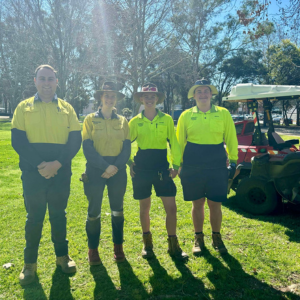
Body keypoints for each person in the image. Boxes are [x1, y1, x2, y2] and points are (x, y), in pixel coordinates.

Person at [11, 65, 82, 285]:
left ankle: (62, 257)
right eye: (42, 79)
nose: (46, 83)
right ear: (35, 81)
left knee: (59, 215)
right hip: (33, 173)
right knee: (34, 218)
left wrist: (57, 164)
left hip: (61, 173)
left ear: (57, 81)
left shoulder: (67, 108)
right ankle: (29, 264)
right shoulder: (23, 108)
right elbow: (18, 142)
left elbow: (75, 141)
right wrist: (42, 165)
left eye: (50, 79)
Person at [176, 79, 238, 255]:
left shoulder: (223, 113)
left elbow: (231, 138)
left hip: (217, 162)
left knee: (215, 204)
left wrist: (233, 160)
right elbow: (179, 141)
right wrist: (177, 165)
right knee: (197, 203)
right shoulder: (186, 115)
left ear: (211, 94)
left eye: (206, 91)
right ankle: (198, 238)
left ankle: (216, 237)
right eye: (199, 91)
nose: (203, 94)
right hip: (192, 162)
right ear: (194, 95)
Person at [128, 83, 188, 260]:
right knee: (144, 208)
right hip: (141, 170)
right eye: (146, 96)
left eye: (152, 96)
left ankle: (173, 245)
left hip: (162, 169)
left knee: (171, 208)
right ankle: (147, 244)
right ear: (141, 99)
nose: (149, 99)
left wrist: (176, 165)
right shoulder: (135, 121)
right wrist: (129, 162)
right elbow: (124, 144)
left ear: (157, 99)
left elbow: (174, 143)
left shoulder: (167, 119)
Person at [82, 82, 130, 264]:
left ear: (116, 99)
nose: (109, 99)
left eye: (113, 96)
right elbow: (87, 147)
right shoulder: (89, 120)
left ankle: (118, 246)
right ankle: (93, 250)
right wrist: (105, 167)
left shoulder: (123, 121)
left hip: (118, 170)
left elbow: (126, 148)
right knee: (94, 211)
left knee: (117, 210)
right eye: (106, 95)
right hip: (96, 170)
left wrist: (114, 167)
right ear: (100, 98)